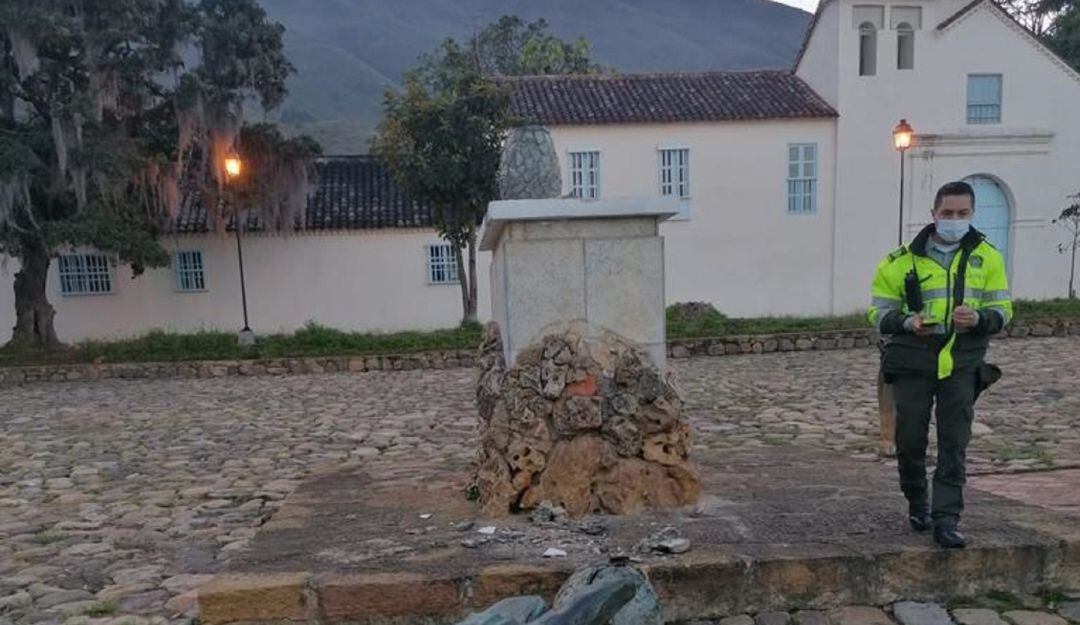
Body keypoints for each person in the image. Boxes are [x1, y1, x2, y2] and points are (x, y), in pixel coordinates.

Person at [867, 181, 1012, 549]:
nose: (954, 220)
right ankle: (918, 501)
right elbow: (878, 311)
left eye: (962, 214)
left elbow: (1003, 310)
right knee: (910, 439)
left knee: (954, 442)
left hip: (961, 362)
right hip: (913, 360)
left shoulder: (988, 257)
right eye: (947, 213)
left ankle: (946, 518)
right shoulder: (900, 261)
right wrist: (907, 322)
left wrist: (979, 319)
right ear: (934, 214)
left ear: (971, 214)